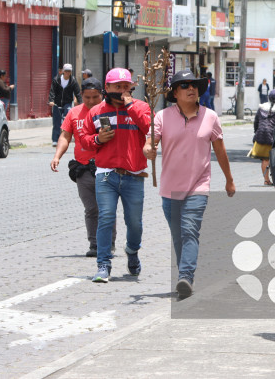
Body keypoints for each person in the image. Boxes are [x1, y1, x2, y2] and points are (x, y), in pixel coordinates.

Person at [143, 70, 236, 299]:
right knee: (178, 236)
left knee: (190, 231)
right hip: (170, 188)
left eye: (194, 85)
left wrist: (229, 180)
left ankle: (186, 276)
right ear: (175, 92)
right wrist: (149, 151)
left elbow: (220, 151)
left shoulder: (210, 117)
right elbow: (149, 144)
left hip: (198, 186)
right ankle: (185, 275)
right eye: (184, 85)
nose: (191, 89)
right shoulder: (162, 117)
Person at [80, 68, 152, 283]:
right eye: (117, 86)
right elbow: (83, 138)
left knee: (135, 223)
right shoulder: (96, 112)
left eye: (126, 86)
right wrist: (97, 140)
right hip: (105, 175)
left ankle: (132, 251)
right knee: (106, 218)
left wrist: (131, 107)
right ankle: (103, 265)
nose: (122, 90)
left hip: (134, 175)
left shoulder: (141, 107)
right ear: (107, 88)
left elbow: (151, 129)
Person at [50, 77, 115, 256]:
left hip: (105, 168)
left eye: (95, 97)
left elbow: (108, 136)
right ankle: (94, 244)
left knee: (106, 208)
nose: (91, 101)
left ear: (102, 95)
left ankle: (108, 243)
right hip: (83, 169)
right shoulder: (74, 114)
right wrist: (57, 156)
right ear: (80, 97)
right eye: (87, 97)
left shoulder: (105, 113)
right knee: (91, 208)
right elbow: (65, 136)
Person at [250, 89, 275, 185]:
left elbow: (256, 122)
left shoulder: (262, 108)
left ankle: (266, 180)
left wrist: (256, 133)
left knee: (265, 159)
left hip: (261, 135)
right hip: (273, 136)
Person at [49, 63, 81, 147]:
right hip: (57, 103)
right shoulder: (56, 80)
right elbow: (52, 91)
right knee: (56, 122)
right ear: (63, 71)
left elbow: (77, 92)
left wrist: (81, 103)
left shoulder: (73, 81)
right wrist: (51, 101)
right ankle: (55, 140)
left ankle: (67, 137)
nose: (67, 73)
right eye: (66, 71)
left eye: (69, 71)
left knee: (67, 118)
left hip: (67, 103)